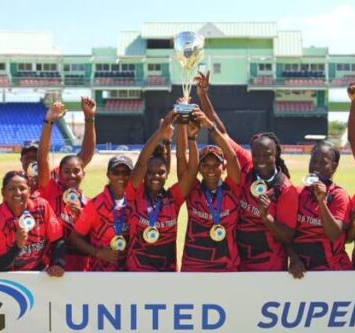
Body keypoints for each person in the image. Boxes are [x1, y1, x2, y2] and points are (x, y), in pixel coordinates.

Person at [194, 70, 299, 272]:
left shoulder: (286, 189)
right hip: (238, 260)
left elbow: (287, 235)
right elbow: (222, 133)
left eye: (266, 155)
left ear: (275, 155)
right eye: (257, 154)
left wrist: (266, 217)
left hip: (268, 265)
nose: (260, 160)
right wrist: (203, 96)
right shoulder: (248, 164)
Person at [125, 112, 196, 272]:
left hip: (167, 274)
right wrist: (161, 132)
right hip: (137, 272)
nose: (155, 177)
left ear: (167, 173)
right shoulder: (134, 194)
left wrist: (187, 132)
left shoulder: (173, 198)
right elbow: (142, 161)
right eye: (150, 172)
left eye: (160, 173)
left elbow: (191, 171)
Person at [36, 97, 97, 272]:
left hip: (81, 269)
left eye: (76, 171)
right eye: (66, 171)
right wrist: (49, 121)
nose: (72, 175)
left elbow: (87, 153)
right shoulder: (50, 190)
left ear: (84, 173)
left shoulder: (88, 203)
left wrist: (89, 118)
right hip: (52, 267)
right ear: (58, 173)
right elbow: (42, 159)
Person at [179, 110, 242, 272]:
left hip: (226, 268)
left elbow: (233, 157)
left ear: (224, 167)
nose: (211, 169)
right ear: (199, 168)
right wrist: (191, 137)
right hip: (194, 268)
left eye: (216, 165)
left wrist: (210, 126)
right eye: (205, 165)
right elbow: (182, 160)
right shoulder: (192, 189)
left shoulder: (233, 188)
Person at [286, 141, 351, 277]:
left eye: (323, 163)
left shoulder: (339, 196)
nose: (316, 167)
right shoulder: (298, 193)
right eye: (314, 161)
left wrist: (322, 201)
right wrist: (293, 258)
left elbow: (334, 234)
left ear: (334, 167)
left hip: (334, 272)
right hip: (303, 272)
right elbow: (286, 234)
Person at [0, 169, 66, 275]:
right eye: (11, 189)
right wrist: (18, 246)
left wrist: (57, 263)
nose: (18, 193)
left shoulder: (42, 206)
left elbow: (58, 239)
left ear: (29, 190)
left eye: (22, 188)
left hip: (41, 273)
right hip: (11, 277)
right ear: (3, 192)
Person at [69, 155, 134, 271]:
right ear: (108, 175)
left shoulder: (135, 201)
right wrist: (98, 253)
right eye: (116, 172)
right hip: (101, 272)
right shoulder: (95, 205)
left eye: (126, 173)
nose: (121, 176)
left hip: (131, 270)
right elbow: (75, 238)